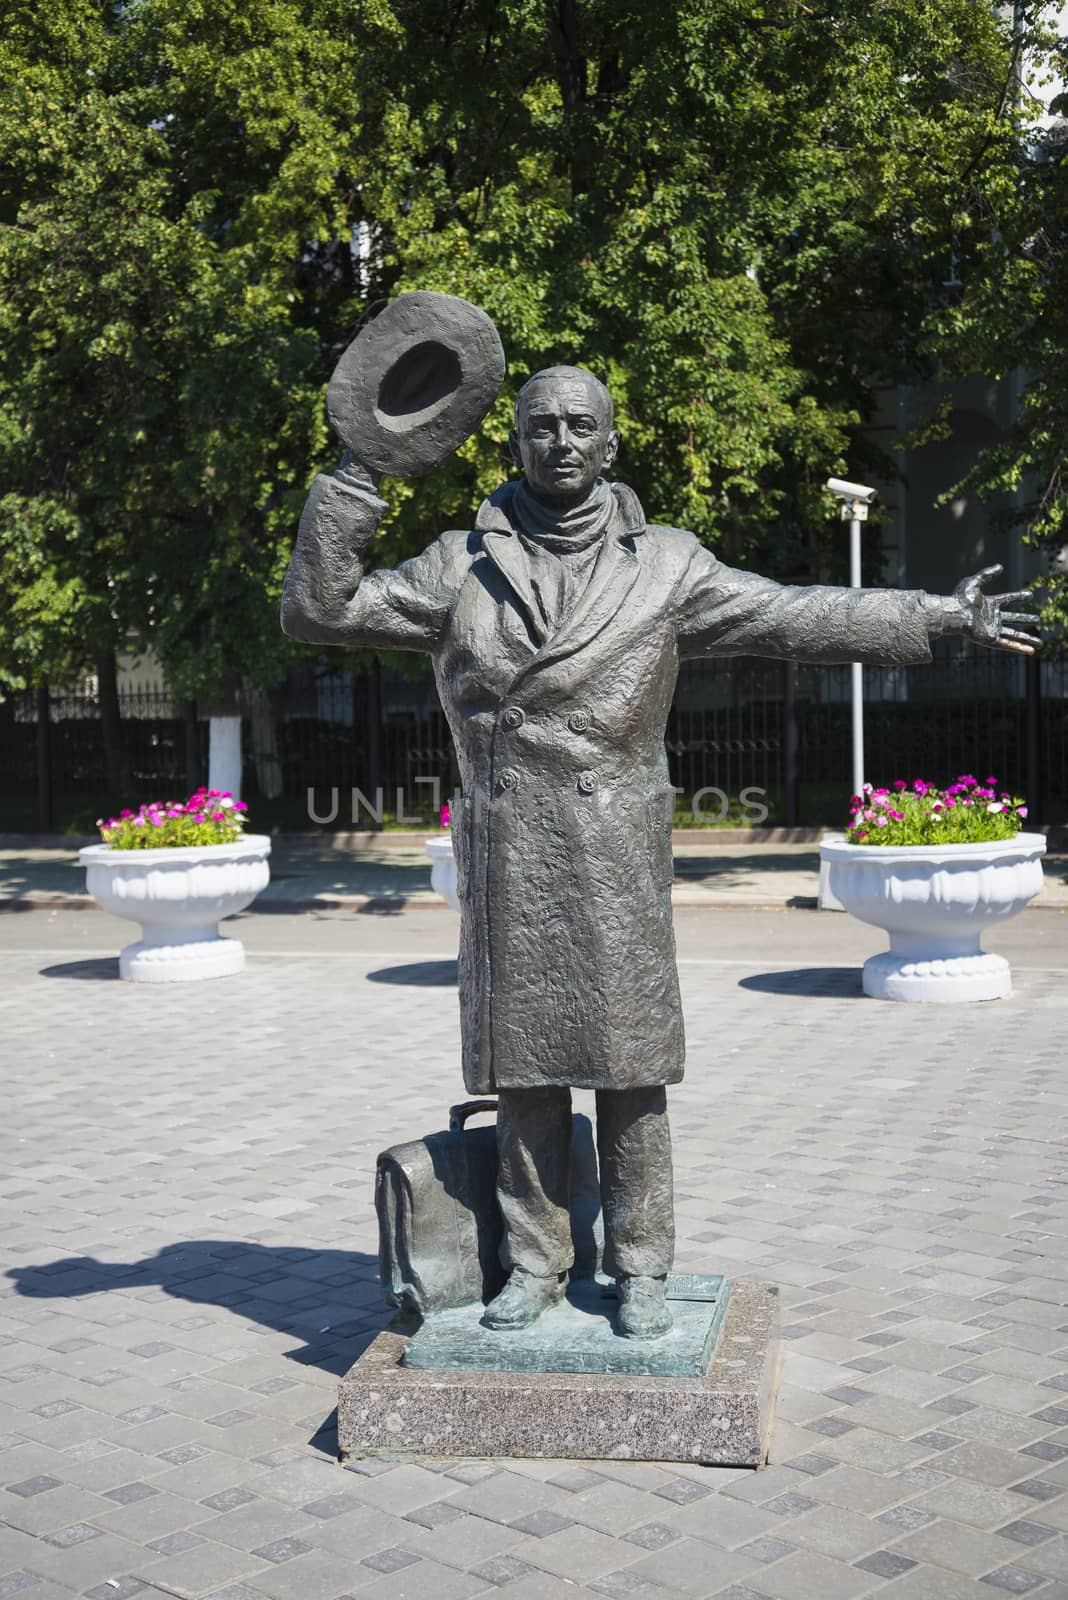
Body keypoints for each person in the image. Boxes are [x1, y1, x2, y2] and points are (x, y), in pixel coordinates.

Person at [282, 364, 1037, 1340]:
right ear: (513, 442)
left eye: (579, 425)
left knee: (632, 1076)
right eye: (540, 425)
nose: (559, 440)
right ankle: (538, 1266)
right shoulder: (456, 563)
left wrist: (933, 617)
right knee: (525, 1078)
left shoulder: (668, 563)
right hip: (515, 852)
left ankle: (641, 1266)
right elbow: (319, 610)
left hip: (610, 854)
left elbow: (790, 613)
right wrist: (355, 475)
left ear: (609, 445)